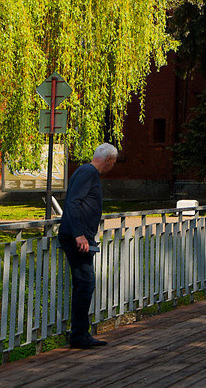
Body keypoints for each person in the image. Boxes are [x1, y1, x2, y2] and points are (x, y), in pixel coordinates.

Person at [58, 143, 118, 348]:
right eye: (113, 162)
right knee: (85, 283)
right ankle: (79, 335)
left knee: (83, 283)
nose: (113, 166)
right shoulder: (88, 173)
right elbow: (73, 203)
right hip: (78, 238)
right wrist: (79, 235)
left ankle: (80, 333)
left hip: (79, 236)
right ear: (108, 160)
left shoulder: (84, 171)